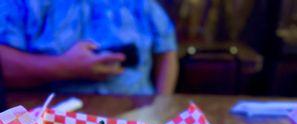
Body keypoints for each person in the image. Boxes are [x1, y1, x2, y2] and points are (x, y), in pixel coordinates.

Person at [0, 0, 178, 95]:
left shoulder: (144, 3)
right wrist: (63, 68)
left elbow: (166, 51)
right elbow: (4, 64)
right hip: (49, 123)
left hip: (138, 118)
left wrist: (161, 103)